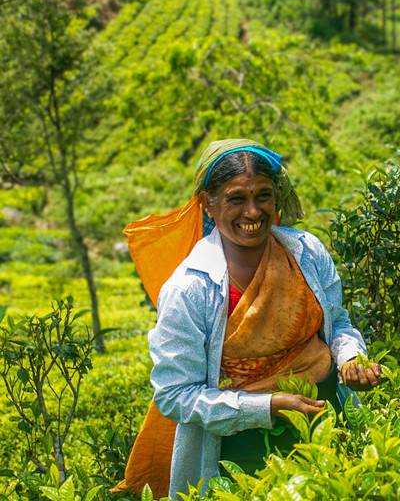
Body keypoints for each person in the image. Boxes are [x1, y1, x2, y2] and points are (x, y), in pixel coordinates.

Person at [119, 138, 381, 500]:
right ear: (208, 205)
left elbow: (338, 325)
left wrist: (351, 359)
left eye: (263, 196)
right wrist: (267, 406)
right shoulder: (190, 289)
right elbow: (176, 395)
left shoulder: (306, 252)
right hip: (239, 451)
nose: (253, 212)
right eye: (236, 199)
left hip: (327, 423)